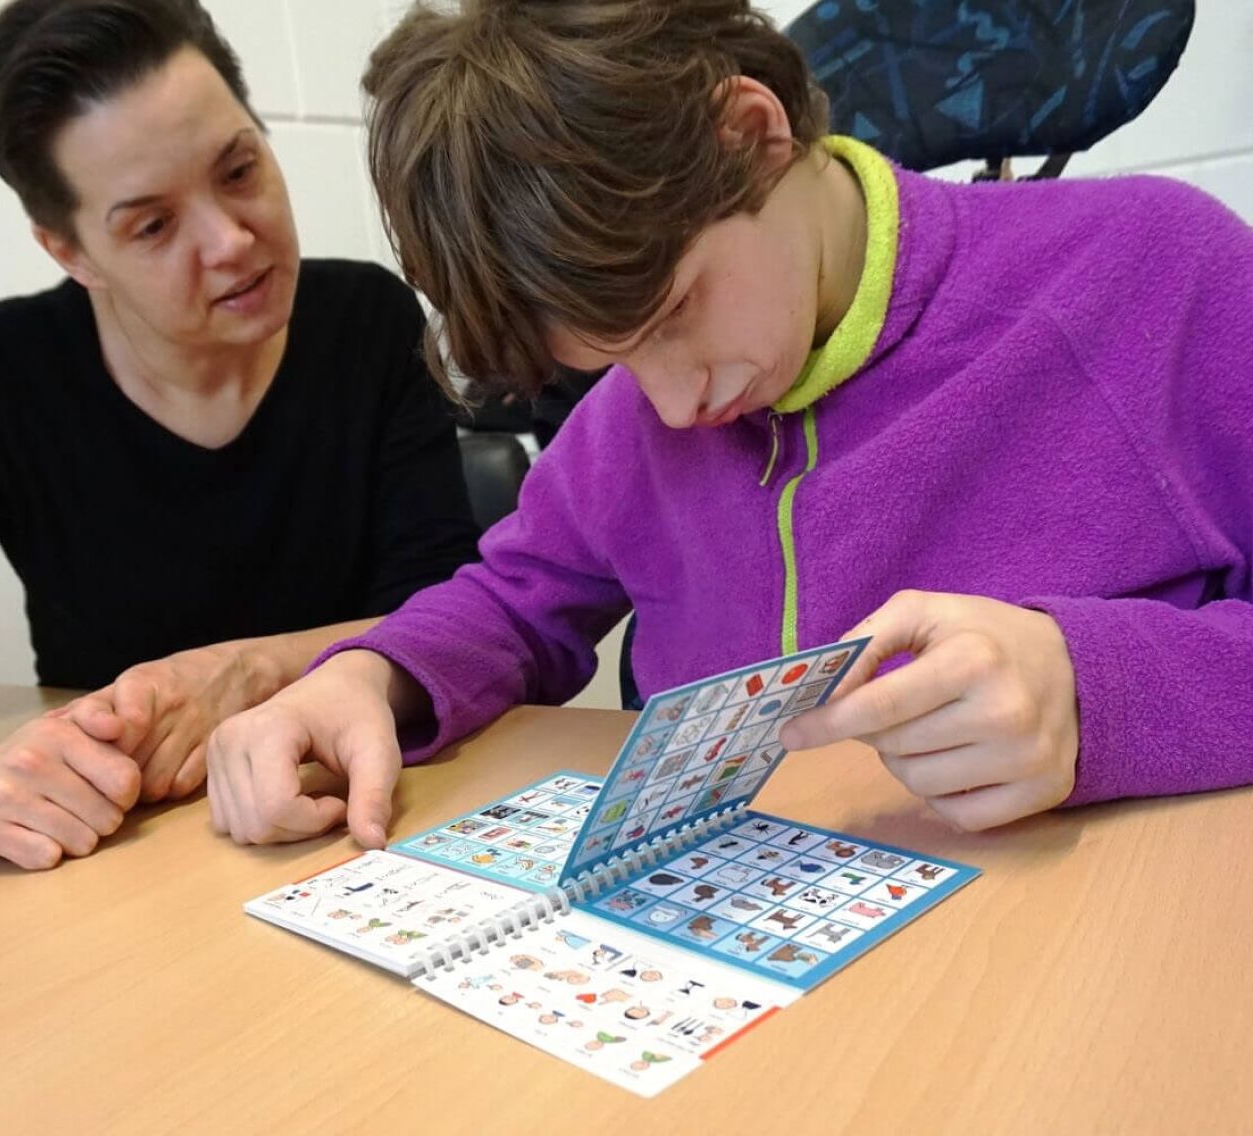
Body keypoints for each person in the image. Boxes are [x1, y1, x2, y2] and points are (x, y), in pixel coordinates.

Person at [201, 0, 1253, 848]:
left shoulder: (1156, 271)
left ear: (751, 135)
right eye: (610, 359)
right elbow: (514, 600)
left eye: (673, 315)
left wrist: (1096, 690)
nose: (669, 403)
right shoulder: (633, 416)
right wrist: (364, 675)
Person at [0, 0, 479, 869]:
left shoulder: (365, 319)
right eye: (152, 225)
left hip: (354, 828)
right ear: (69, 250)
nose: (231, 240)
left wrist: (250, 672)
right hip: (116, 863)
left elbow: (453, 617)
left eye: (239, 169)